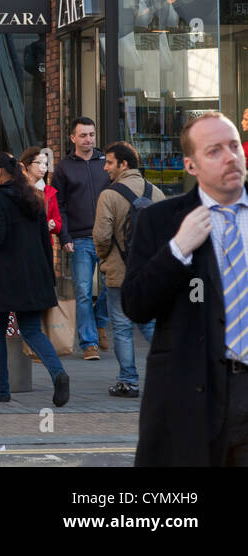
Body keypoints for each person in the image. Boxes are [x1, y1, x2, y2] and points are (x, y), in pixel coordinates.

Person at [122, 111, 248, 465]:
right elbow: (136, 304)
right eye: (214, 151)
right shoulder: (161, 220)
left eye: (234, 146)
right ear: (190, 165)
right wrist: (178, 250)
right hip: (192, 393)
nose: (230, 157)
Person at [0, 152, 70, 407]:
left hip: (2, 277)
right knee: (31, 330)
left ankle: (1, 389)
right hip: (32, 274)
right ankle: (58, 373)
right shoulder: (33, 196)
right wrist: (47, 274)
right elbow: (45, 238)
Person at [92, 141, 163, 399]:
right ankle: (175, 366)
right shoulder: (156, 192)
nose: (106, 168)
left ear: (124, 164)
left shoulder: (109, 195)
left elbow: (101, 236)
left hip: (118, 273)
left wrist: (105, 259)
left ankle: (128, 382)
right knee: (149, 322)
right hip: (149, 272)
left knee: (121, 327)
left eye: (109, 162)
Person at [53, 116, 111, 360]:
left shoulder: (106, 163)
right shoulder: (64, 167)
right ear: (73, 138)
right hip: (79, 239)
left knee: (112, 287)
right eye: (84, 135)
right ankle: (89, 343)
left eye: (92, 135)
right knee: (84, 291)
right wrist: (64, 235)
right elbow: (59, 205)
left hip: (107, 238)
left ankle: (100, 321)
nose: (89, 139)